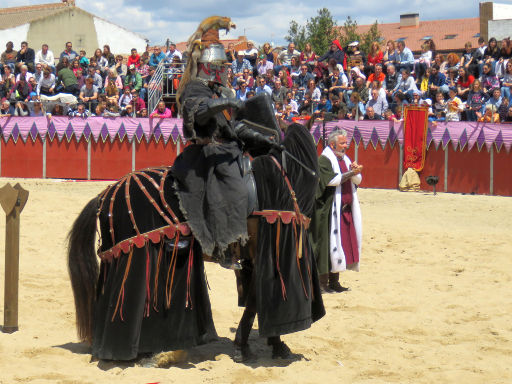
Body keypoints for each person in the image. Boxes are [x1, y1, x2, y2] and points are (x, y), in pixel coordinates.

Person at [312, 129, 363, 293]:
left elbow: (357, 180)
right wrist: (351, 172)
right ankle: (322, 284)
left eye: (346, 143)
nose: (345, 146)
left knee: (342, 245)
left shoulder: (345, 158)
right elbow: (332, 181)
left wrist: (355, 172)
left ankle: (335, 282)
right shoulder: (324, 159)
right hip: (328, 211)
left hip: (344, 210)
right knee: (327, 246)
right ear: (332, 144)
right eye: (342, 143)